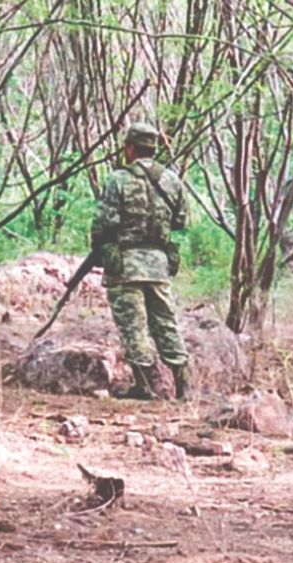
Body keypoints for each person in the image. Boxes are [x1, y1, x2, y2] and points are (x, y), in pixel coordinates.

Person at [90, 122, 190, 401]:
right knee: (166, 323)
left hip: (126, 265)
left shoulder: (118, 180)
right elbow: (181, 222)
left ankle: (144, 387)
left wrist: (100, 249)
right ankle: (183, 387)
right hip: (158, 265)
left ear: (130, 148)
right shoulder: (171, 180)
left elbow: (103, 223)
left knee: (134, 327)